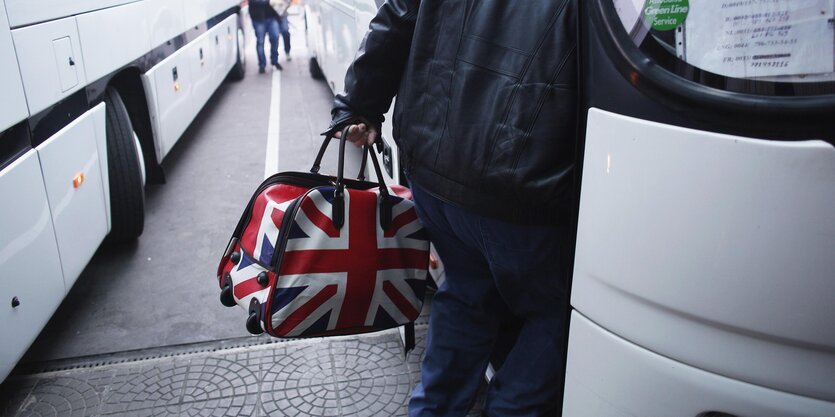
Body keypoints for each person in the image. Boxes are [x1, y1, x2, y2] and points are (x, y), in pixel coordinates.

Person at [328, 1, 578, 416]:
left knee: (466, 293)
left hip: (434, 168)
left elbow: (396, 18)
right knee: (556, 310)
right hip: (525, 181)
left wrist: (359, 106)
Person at [249, 0, 283, 73]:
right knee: (260, 42)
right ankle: (262, 65)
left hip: (272, 17)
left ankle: (274, 61)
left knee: (275, 37)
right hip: (258, 19)